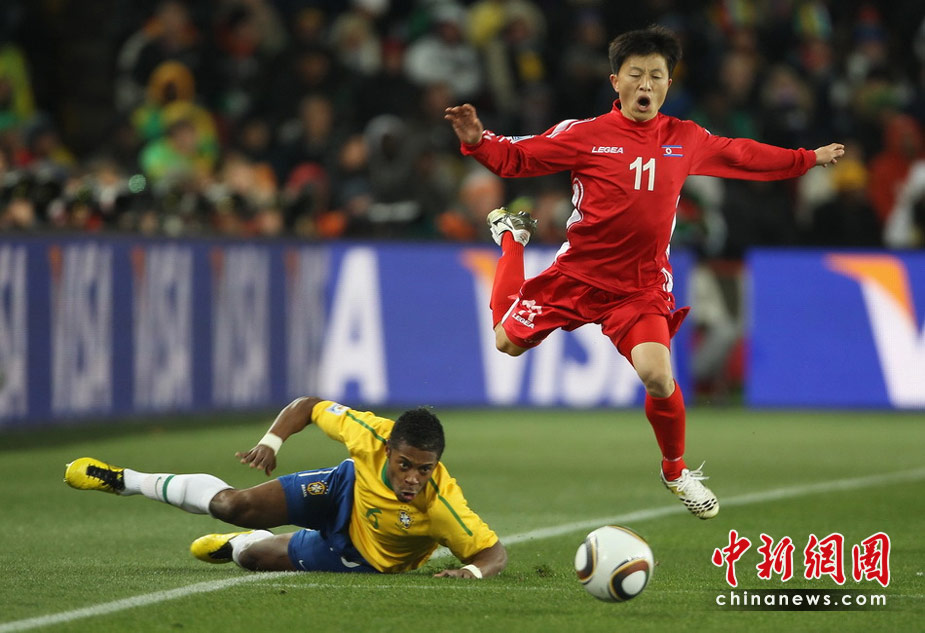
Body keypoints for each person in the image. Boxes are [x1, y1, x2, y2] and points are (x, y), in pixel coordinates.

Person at [444, 25, 845, 520]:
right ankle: (512, 238)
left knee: (658, 376)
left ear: (668, 85)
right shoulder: (585, 135)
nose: (646, 84)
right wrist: (477, 141)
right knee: (506, 342)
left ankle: (675, 471)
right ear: (616, 82)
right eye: (636, 74)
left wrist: (806, 159)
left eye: (656, 75)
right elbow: (517, 158)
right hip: (578, 275)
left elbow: (742, 154)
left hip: (639, 288)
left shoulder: (685, 138)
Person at [64, 397, 507, 578]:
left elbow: (492, 554)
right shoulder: (369, 434)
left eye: (424, 470)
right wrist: (271, 442)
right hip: (342, 490)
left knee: (252, 559)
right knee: (231, 504)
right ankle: (126, 481)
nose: (413, 478)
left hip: (361, 556)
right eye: (405, 464)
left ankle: (242, 543)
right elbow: (309, 406)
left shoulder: (443, 506)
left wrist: (470, 573)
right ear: (388, 448)